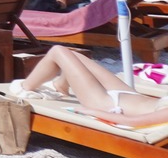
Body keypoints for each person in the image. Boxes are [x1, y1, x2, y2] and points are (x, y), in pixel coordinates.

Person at [15, 44, 168, 126]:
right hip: (129, 95)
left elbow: (131, 121)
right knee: (74, 55)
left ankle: (26, 87)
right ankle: (61, 85)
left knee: (58, 51)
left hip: (106, 103)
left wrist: (89, 111)